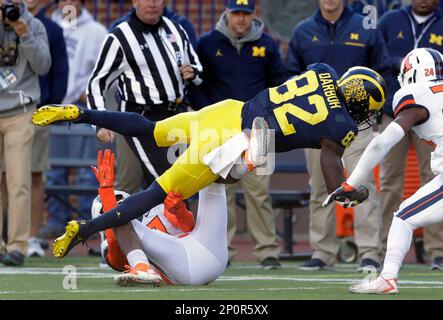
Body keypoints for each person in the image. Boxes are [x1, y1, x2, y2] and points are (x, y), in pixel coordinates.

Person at [32, 62, 387, 259]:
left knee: (151, 129)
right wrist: (347, 190)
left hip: (231, 110)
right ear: (358, 105)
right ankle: (85, 230)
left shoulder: (322, 70)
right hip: (244, 141)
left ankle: (80, 114)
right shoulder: (342, 127)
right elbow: (330, 167)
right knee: (158, 192)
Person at [324, 48, 443, 294]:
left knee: (403, 217)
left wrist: (352, 181)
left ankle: (387, 279)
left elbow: (383, 141)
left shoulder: (414, 93)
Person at [286, 0, 389, 271]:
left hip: (358, 126)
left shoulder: (365, 27)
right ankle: (322, 251)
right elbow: (289, 77)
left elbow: (384, 71)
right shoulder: (302, 31)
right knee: (320, 187)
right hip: (316, 126)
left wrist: (376, 113)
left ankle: (369, 251)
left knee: (362, 182)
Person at [190, 0, 286, 269]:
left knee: (260, 192)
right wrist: (207, 112)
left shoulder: (267, 45)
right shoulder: (207, 43)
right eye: (237, 14)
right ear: (227, 14)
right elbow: (196, 85)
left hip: (259, 129)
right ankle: (222, 250)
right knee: (219, 192)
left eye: (246, 14)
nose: (241, 19)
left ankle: (267, 251)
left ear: (253, 14)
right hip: (219, 129)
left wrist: (267, 116)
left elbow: (277, 85)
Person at [87, 0, 203, 198]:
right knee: (127, 186)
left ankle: (166, 230)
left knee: (175, 185)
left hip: (172, 117)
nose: (152, 4)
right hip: (135, 119)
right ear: (135, 2)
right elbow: (97, 82)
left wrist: (193, 72)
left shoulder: (176, 29)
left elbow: (197, 68)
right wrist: (99, 124)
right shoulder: (120, 36)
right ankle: (118, 230)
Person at [91, 149, 228, 286]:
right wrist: (107, 194)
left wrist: (180, 212)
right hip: (181, 271)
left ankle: (245, 160)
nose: (117, 205)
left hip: (206, 251)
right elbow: (119, 262)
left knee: (212, 173)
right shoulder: (109, 245)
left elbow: (189, 229)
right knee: (121, 220)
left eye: (117, 200)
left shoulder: (155, 208)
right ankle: (142, 268)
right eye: (106, 210)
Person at [378, 0, 443, 270]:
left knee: (435, 177)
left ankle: (437, 249)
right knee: (389, 179)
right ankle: (385, 245)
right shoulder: (389, 21)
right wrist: (403, 66)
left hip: (434, 114)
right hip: (395, 109)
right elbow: (377, 60)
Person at [38, 0, 107, 238]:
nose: (69, 3)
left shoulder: (97, 31)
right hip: (52, 106)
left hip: (82, 109)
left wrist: (87, 94)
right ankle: (57, 222)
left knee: (88, 170)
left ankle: (86, 225)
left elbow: (103, 71)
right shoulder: (46, 26)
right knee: (55, 169)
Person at [0, 0, 51, 266]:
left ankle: (17, 246)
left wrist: (23, 32)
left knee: (18, 181)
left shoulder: (35, 25)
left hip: (20, 113)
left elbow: (43, 66)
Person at [23, 0, 68, 257]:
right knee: (4, 176)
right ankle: (8, 236)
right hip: (4, 108)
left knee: (35, 174)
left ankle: (31, 237)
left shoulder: (50, 29)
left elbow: (60, 72)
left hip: (35, 110)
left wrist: (49, 109)